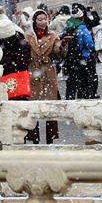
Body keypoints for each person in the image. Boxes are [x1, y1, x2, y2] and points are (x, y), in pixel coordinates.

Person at [26, 9, 66, 144]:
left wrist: (63, 46)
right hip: (33, 72)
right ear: (34, 21)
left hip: (48, 72)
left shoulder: (53, 36)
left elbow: (58, 52)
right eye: (40, 19)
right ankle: (34, 137)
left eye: (45, 19)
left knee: (50, 107)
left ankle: (51, 139)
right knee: (33, 107)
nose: (43, 22)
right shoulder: (28, 37)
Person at [63, 4, 95, 100]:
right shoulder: (82, 28)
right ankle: (81, 102)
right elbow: (90, 44)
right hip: (81, 59)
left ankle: (69, 101)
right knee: (82, 83)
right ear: (81, 17)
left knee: (71, 83)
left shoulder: (67, 27)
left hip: (70, 60)